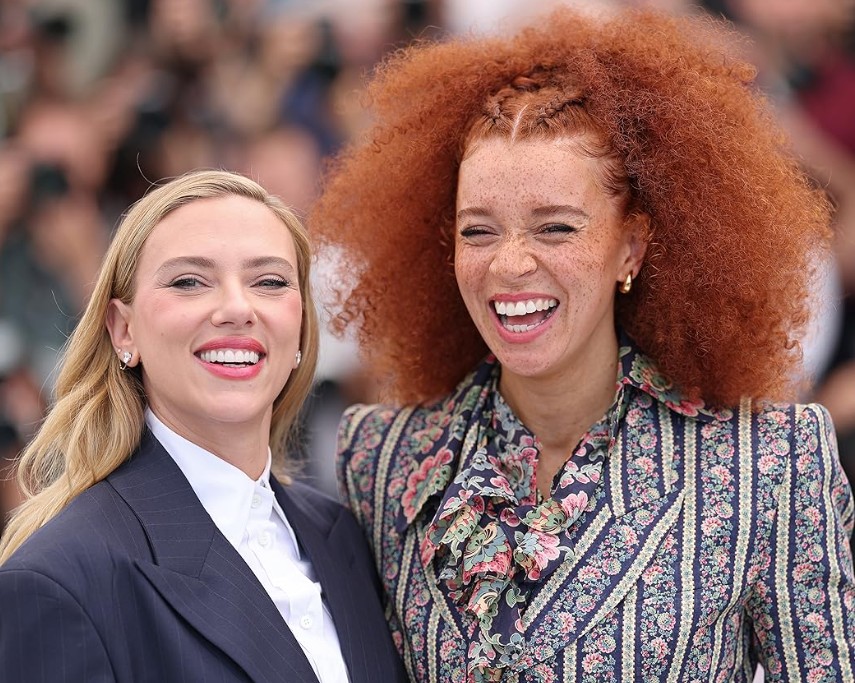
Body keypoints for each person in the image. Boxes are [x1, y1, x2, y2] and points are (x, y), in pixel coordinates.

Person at [308, 7, 855, 682]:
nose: (510, 264)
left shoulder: (766, 462)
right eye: (478, 231)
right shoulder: (381, 459)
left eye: (555, 228)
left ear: (632, 246)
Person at [0, 169, 406, 683]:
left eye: (269, 281)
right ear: (123, 330)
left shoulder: (348, 538)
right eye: (188, 281)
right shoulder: (58, 579)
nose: (237, 308)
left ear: (302, 325)